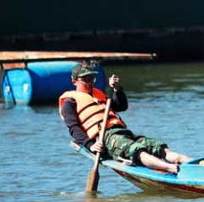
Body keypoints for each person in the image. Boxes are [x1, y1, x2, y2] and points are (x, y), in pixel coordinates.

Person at [60, 60, 190, 173]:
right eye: (85, 79)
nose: (90, 83)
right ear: (74, 81)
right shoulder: (70, 102)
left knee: (158, 147)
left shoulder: (99, 94)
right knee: (136, 150)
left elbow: (121, 106)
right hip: (105, 138)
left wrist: (117, 90)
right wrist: (90, 145)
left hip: (122, 132)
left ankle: (192, 163)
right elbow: (73, 128)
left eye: (91, 79)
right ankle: (170, 168)